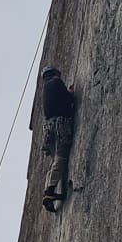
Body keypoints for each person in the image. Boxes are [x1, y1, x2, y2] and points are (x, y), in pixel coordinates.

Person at [36, 65, 77, 212]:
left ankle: (47, 191)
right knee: (60, 158)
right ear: (54, 73)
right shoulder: (56, 82)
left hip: (48, 128)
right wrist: (71, 92)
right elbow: (69, 99)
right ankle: (50, 191)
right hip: (60, 124)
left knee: (54, 162)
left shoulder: (45, 89)